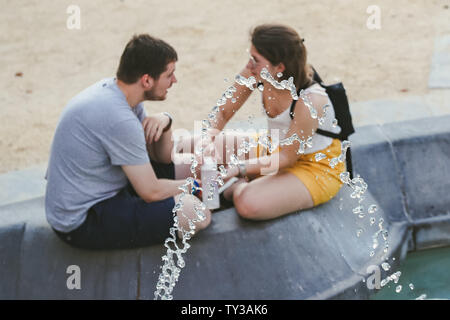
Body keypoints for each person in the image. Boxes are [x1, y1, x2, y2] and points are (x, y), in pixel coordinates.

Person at [45, 34, 211, 250]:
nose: (174, 81)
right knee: (196, 213)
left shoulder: (121, 95)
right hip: (83, 219)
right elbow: (150, 192)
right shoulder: (118, 118)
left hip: (107, 188)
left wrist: (166, 121)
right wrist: (198, 187)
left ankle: (214, 189)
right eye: (169, 75)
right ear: (147, 80)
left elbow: (161, 157)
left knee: (194, 166)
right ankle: (215, 192)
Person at [178, 24, 345, 220]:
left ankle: (235, 187)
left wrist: (239, 168)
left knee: (248, 203)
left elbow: (286, 159)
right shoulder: (257, 72)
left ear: (279, 67)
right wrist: (207, 140)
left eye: (255, 60)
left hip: (314, 166)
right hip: (273, 147)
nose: (249, 65)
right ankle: (240, 181)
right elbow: (222, 111)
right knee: (187, 149)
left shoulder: (311, 99)